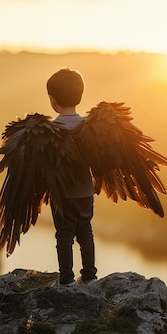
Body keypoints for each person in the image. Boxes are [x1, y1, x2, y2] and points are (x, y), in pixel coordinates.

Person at [46, 68, 97, 286]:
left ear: (52, 100)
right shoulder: (89, 126)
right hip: (86, 190)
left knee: (64, 234)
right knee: (85, 231)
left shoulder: (50, 129)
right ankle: (89, 276)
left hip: (62, 193)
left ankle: (66, 279)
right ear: (80, 96)